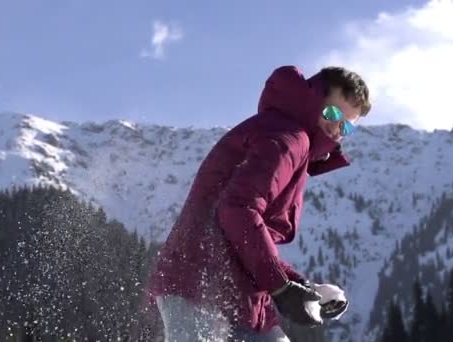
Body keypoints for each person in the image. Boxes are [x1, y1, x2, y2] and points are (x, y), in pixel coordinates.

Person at [146, 65, 371, 341]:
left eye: (346, 125)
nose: (337, 128)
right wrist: (281, 288)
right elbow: (238, 210)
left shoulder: (286, 135)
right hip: (203, 285)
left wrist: (302, 287)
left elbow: (249, 231)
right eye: (333, 113)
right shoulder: (289, 138)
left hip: (235, 292)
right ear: (312, 99)